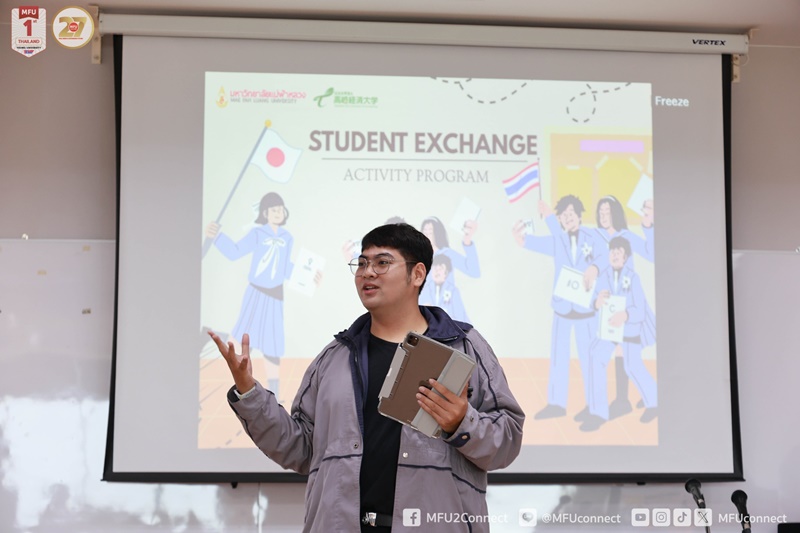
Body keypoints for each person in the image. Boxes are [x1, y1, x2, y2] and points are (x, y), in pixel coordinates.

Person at [209, 223, 524, 532]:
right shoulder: (334, 358)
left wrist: (461, 423)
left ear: (417, 274)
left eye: (382, 263)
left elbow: (508, 440)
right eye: (361, 263)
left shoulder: (463, 346)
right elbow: (301, 449)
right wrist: (248, 391)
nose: (367, 272)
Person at [513, 195, 601, 420]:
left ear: (579, 215)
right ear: (559, 219)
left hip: (586, 310)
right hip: (562, 309)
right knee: (559, 358)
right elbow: (529, 242)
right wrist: (520, 237)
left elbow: (606, 256)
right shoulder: (558, 240)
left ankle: (594, 407)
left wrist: (595, 267)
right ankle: (556, 404)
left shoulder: (593, 237)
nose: (568, 218)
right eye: (563, 215)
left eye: (571, 213)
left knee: (589, 359)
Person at [205, 191, 296, 399]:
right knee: (246, 342)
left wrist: (307, 276)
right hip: (256, 295)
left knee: (272, 346)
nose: (277, 213)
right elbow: (235, 251)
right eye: (273, 209)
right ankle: (242, 390)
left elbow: (285, 268)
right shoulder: (258, 234)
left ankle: (275, 394)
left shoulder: (287, 237)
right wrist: (216, 236)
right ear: (265, 213)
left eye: (280, 209)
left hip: (275, 298)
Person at [580, 236, 658, 432]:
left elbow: (640, 310)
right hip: (608, 331)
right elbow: (591, 301)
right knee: (595, 354)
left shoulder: (633, 278)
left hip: (629, 330)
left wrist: (625, 315)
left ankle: (654, 402)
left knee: (632, 366)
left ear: (626, 257)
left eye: (619, 252)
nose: (615, 255)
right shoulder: (603, 277)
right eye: (612, 251)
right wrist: (596, 302)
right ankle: (598, 413)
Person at [419, 254, 469, 322]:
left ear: (446, 272)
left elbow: (460, 317)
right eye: (435, 268)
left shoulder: (453, 291)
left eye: (440, 268)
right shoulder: (425, 289)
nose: (437, 271)